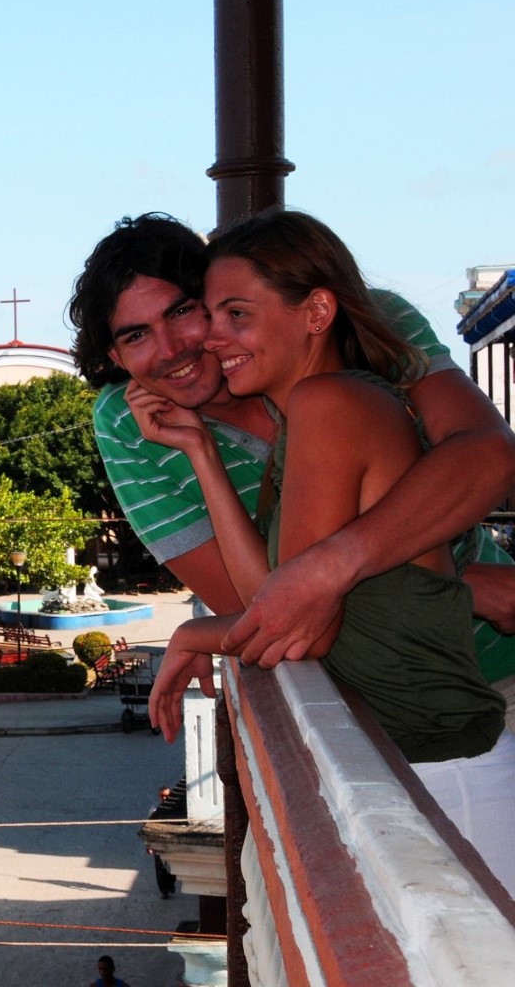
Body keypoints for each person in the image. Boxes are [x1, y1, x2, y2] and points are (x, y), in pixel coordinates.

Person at [142, 209, 515, 895]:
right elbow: (277, 599)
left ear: (315, 311)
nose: (208, 339)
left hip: (444, 775)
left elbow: (299, 629)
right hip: (423, 765)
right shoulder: (309, 419)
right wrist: (200, 450)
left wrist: (195, 629)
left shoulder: (331, 404)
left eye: (236, 315)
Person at [68, 212, 515, 705]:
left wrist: (329, 568)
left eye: (182, 312)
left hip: (497, 665)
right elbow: (266, 612)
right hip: (391, 704)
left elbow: (488, 454)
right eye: (136, 336)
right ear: (114, 357)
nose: (171, 349)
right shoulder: (130, 425)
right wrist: (463, 583)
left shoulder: (355, 321)